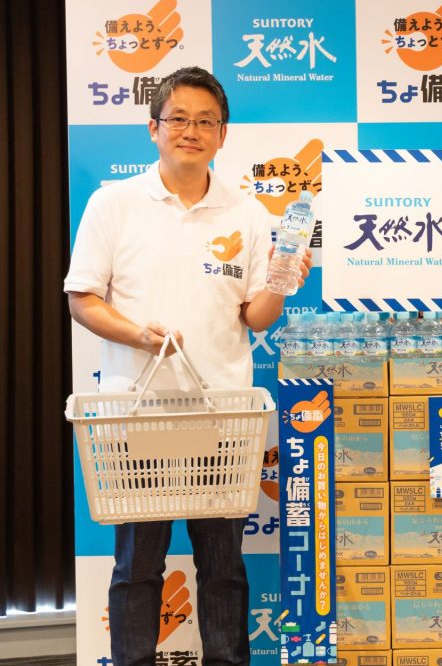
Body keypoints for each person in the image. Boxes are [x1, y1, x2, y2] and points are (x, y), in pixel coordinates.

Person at [65, 66, 312, 666]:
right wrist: (139, 336)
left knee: (223, 566)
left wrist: (282, 284)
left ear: (223, 134)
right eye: (178, 119)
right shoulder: (114, 203)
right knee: (136, 567)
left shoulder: (248, 213)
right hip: (136, 413)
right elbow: (82, 298)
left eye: (206, 121)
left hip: (222, 415)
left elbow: (256, 317)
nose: (191, 131)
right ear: (154, 128)